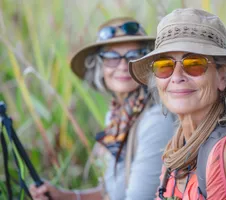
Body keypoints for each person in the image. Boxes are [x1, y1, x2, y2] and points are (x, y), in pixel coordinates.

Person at [129, 8, 226, 200]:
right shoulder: (176, 150)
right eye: (164, 66)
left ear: (222, 77)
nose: (177, 77)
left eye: (194, 64)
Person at [29, 17, 175, 200]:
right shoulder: (116, 117)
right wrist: (63, 196)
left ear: (146, 64)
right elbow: (112, 194)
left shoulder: (155, 120)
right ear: (99, 66)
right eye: (112, 58)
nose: (123, 66)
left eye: (133, 56)